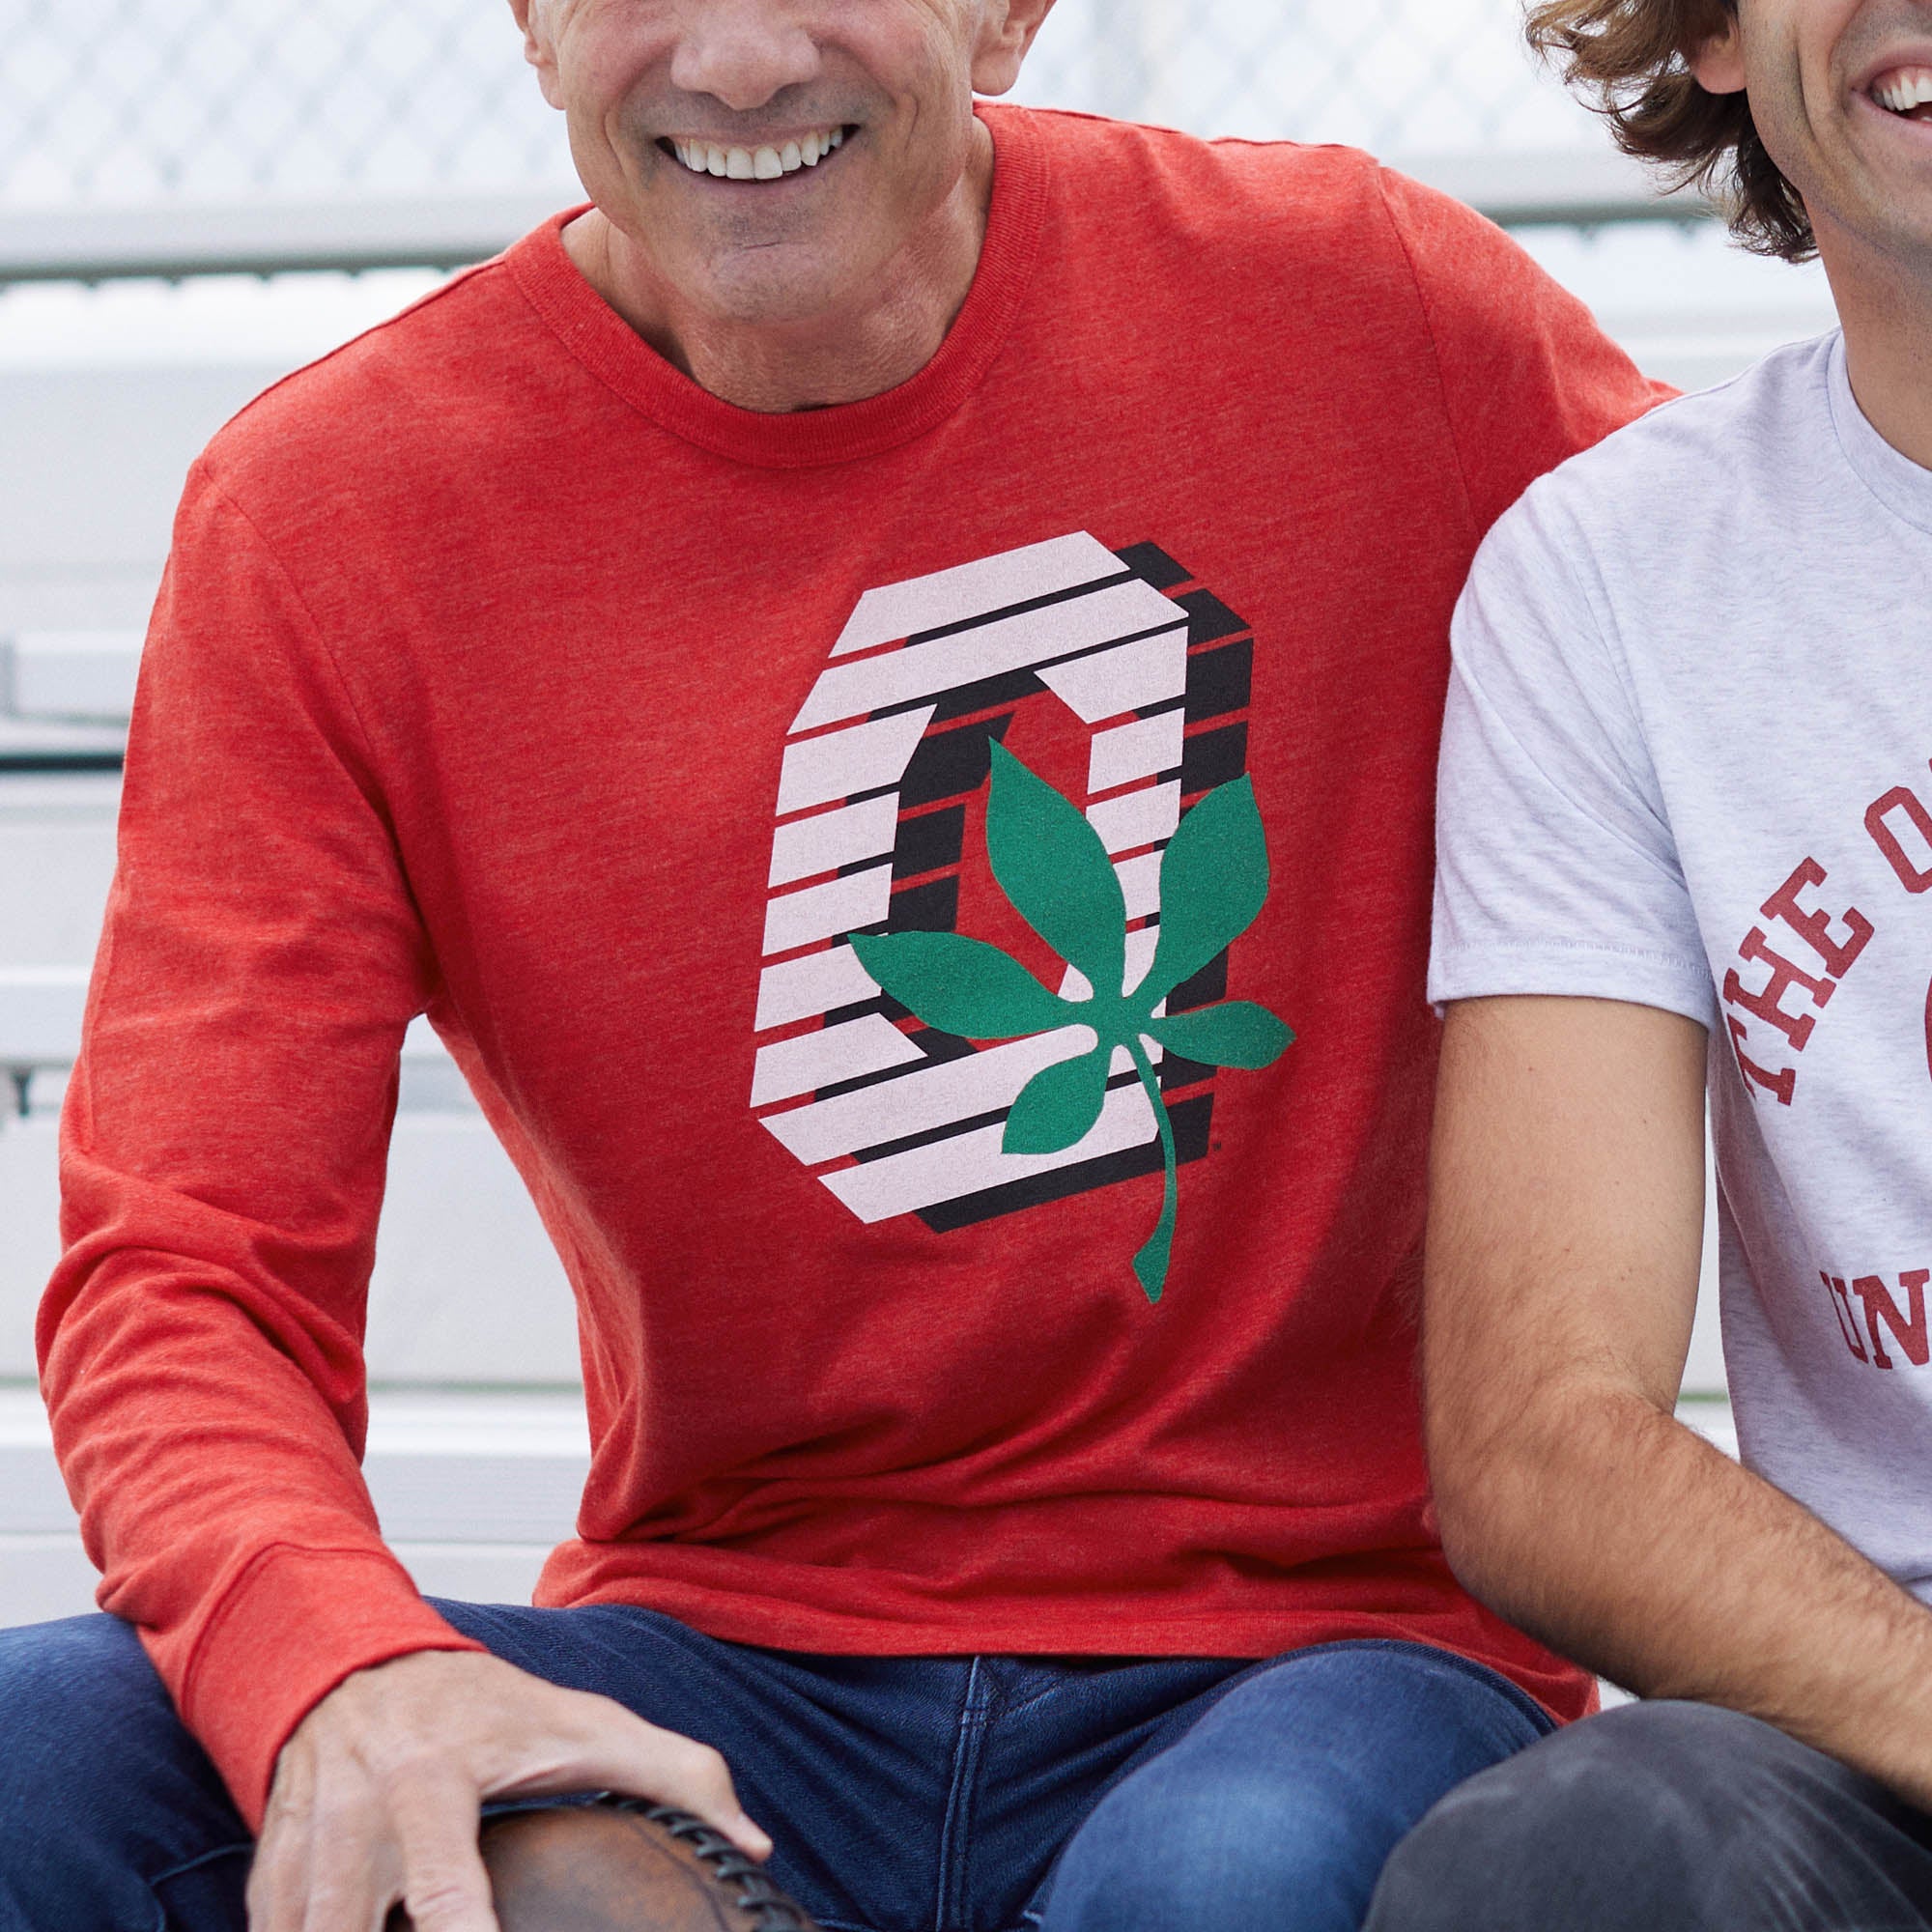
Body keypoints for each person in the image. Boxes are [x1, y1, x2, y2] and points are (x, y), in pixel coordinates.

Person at [0, 3, 1663, 1929]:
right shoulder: (328, 511)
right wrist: (344, 1673)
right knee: (43, 1752)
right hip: (727, 1655)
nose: (736, 63)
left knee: (1219, 1884)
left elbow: (1774, 660)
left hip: (1315, 1642)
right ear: (532, 20)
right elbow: (187, 1270)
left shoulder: (1370, 309)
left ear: (1008, 12)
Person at [1359, 0, 1932, 1927]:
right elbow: (1543, 1440)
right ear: (1712, 31)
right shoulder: (1617, 577)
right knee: (1569, 1863)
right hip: (1888, 1707)